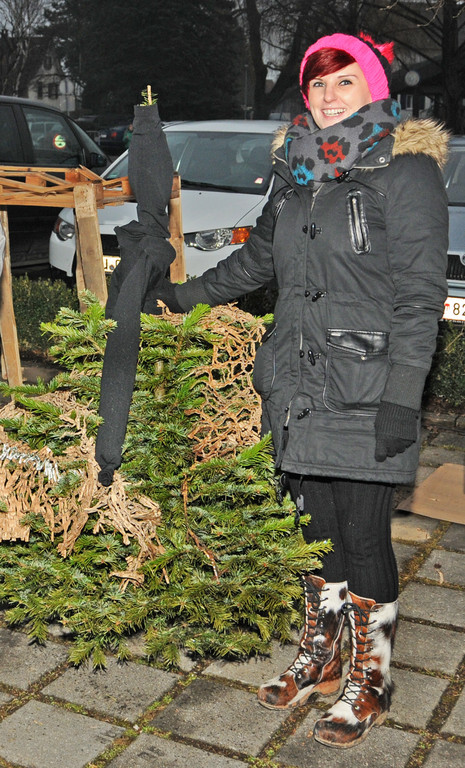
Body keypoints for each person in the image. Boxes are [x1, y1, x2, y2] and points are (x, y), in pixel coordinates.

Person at [155, 32, 449, 748]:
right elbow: (255, 262)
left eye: (344, 81)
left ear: (374, 90)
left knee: (362, 535)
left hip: (366, 386)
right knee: (313, 531)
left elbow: (420, 296)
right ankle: (322, 655)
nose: (327, 95)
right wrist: (176, 296)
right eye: (317, 83)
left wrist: (401, 396)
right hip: (296, 383)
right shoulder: (294, 172)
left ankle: (372, 678)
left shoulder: (405, 172)